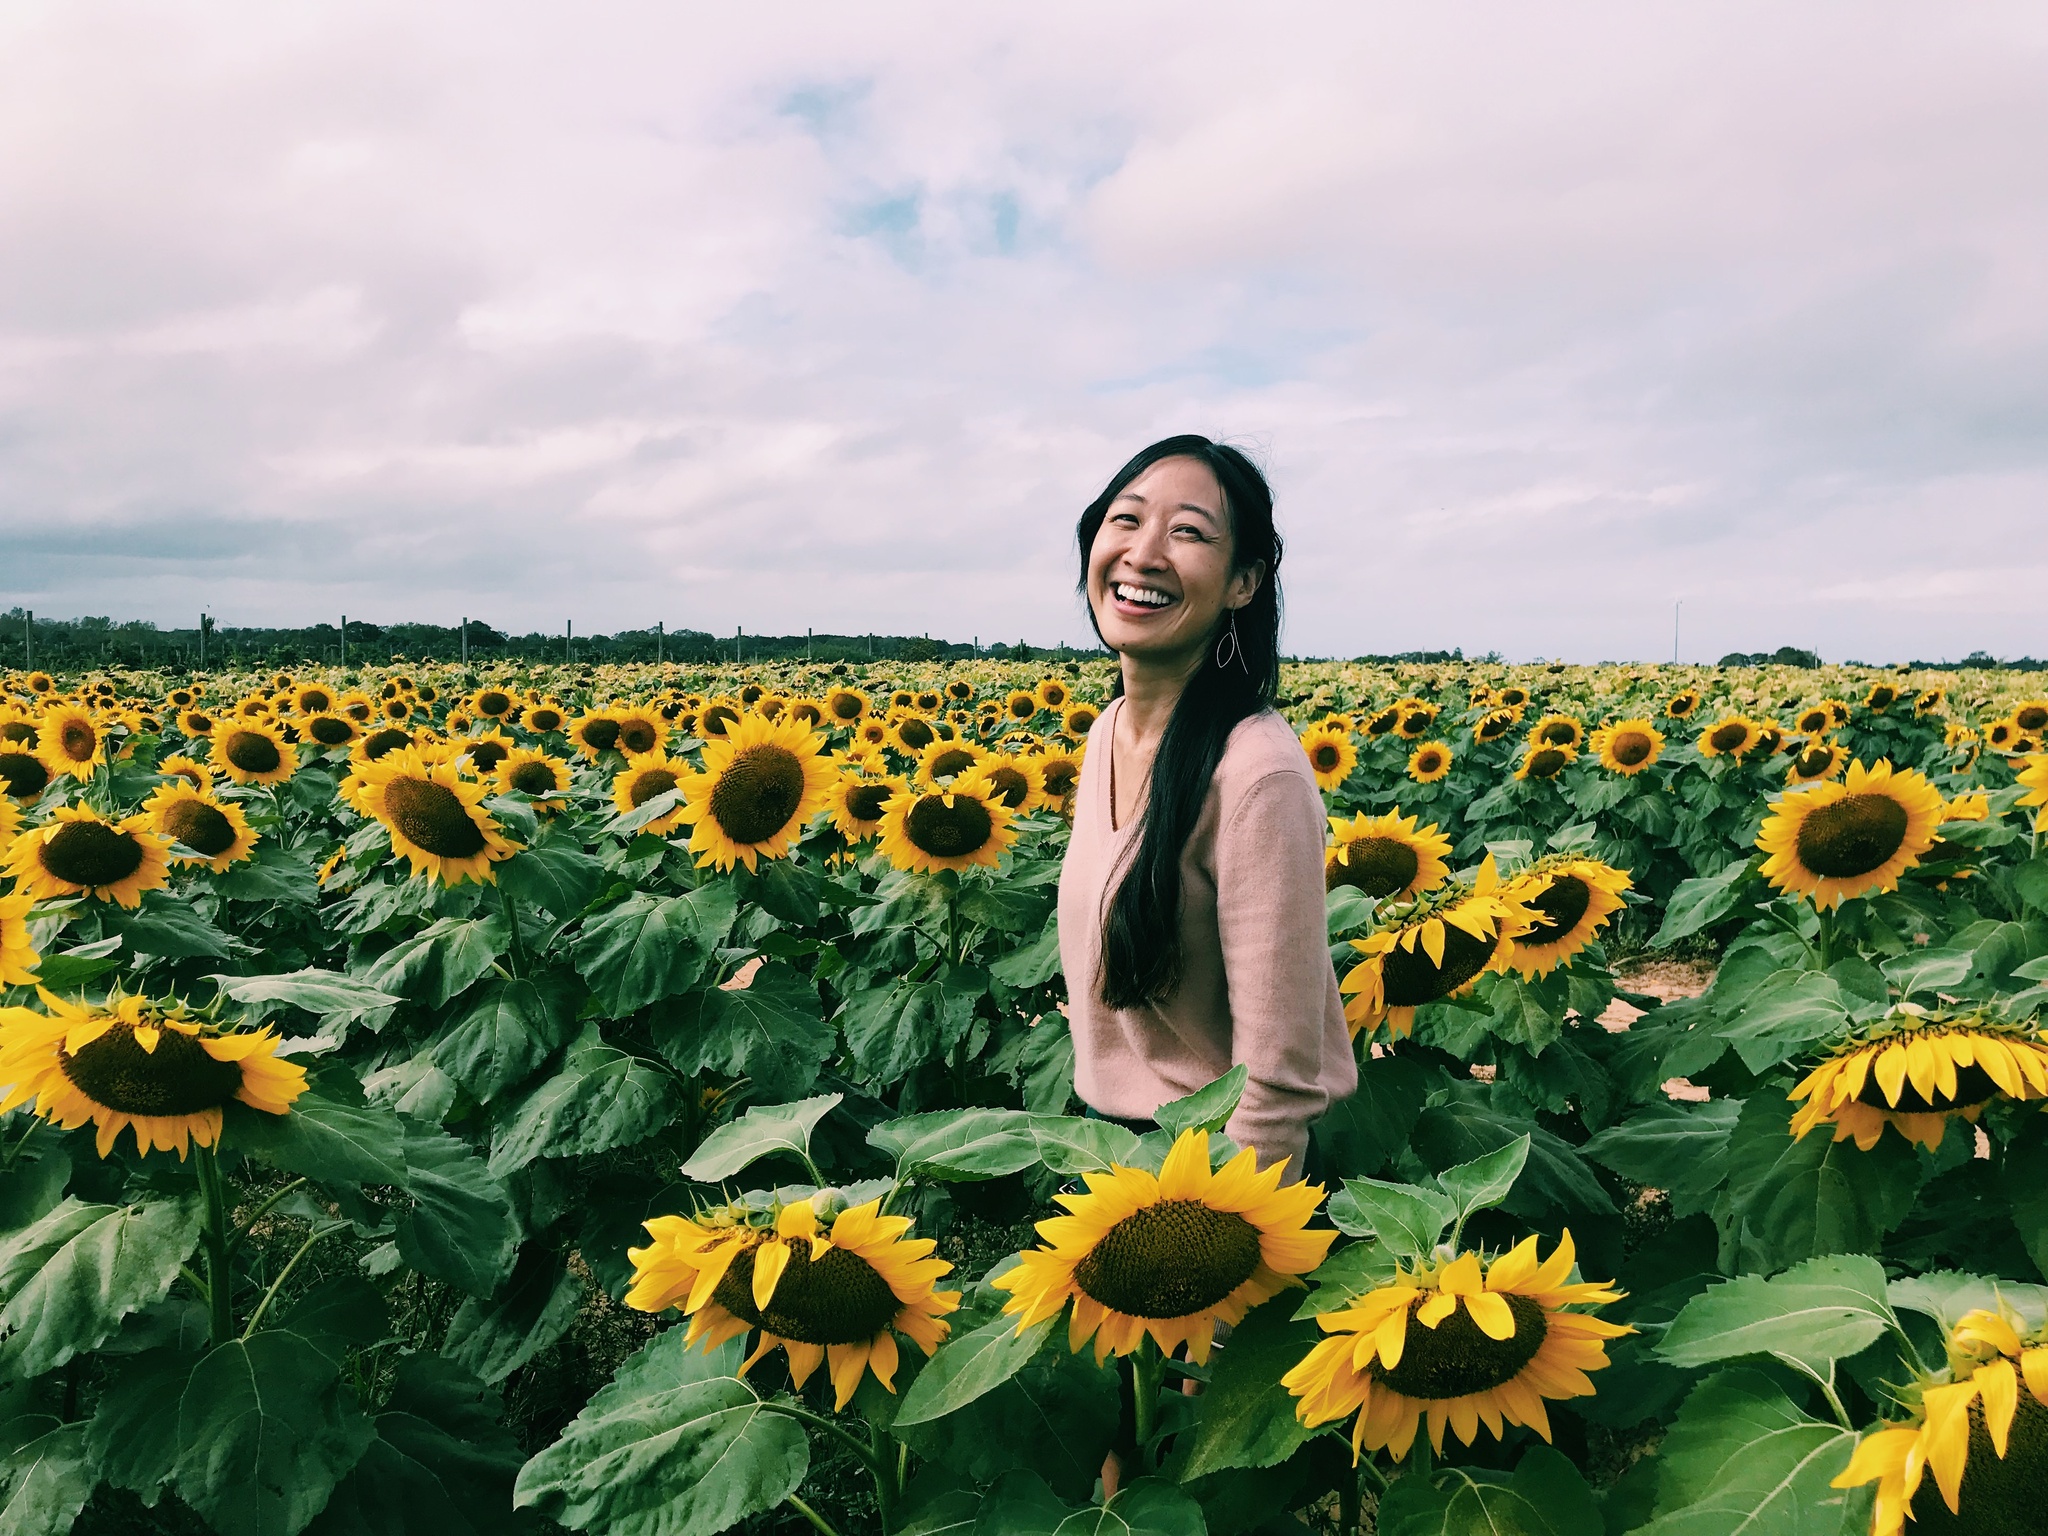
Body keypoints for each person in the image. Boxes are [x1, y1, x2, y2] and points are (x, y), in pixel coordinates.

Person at [1057, 434, 1357, 1184]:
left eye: (1187, 531)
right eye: (1125, 520)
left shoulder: (1257, 773)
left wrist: (1221, 1262)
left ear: (1243, 583)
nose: (1145, 553)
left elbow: (1278, 1084)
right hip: (1115, 1158)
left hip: (1219, 1177)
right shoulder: (1107, 733)